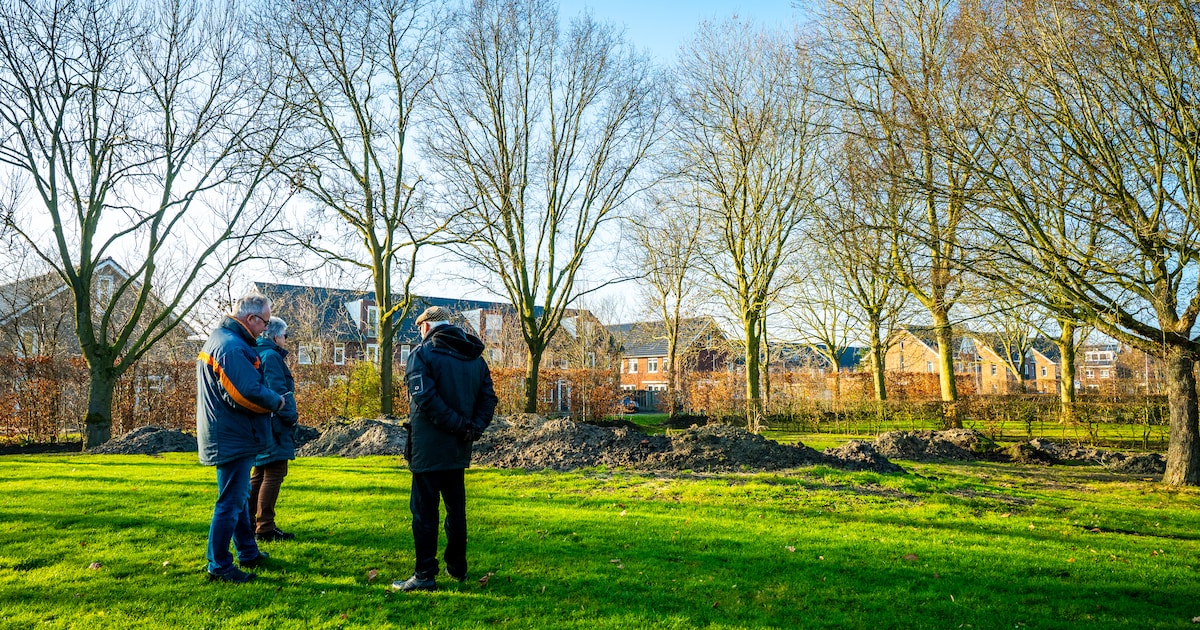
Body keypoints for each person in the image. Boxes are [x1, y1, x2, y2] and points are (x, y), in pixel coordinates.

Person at [392, 306, 498, 592]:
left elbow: (425, 399)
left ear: (426, 327)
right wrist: (471, 428)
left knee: (424, 513)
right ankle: (457, 566)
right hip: (459, 448)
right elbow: (488, 399)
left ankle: (425, 574)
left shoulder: (422, 355)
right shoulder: (474, 358)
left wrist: (459, 425)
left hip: (428, 449)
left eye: (419, 328)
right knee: (456, 510)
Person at [197, 293, 285, 583]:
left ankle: (247, 552)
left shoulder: (224, 341)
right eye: (265, 322)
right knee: (231, 502)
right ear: (251, 319)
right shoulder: (231, 347)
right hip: (232, 436)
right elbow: (244, 392)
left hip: (230, 433)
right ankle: (219, 565)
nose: (265, 329)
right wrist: (276, 401)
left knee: (238, 497)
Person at [251, 316, 298, 542]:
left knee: (259, 473)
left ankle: (250, 522)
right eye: (285, 336)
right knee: (274, 472)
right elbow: (279, 391)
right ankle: (265, 527)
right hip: (275, 423)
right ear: (276, 336)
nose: (285, 340)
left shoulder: (256, 352)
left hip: (262, 421)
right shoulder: (271, 356)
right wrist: (290, 417)